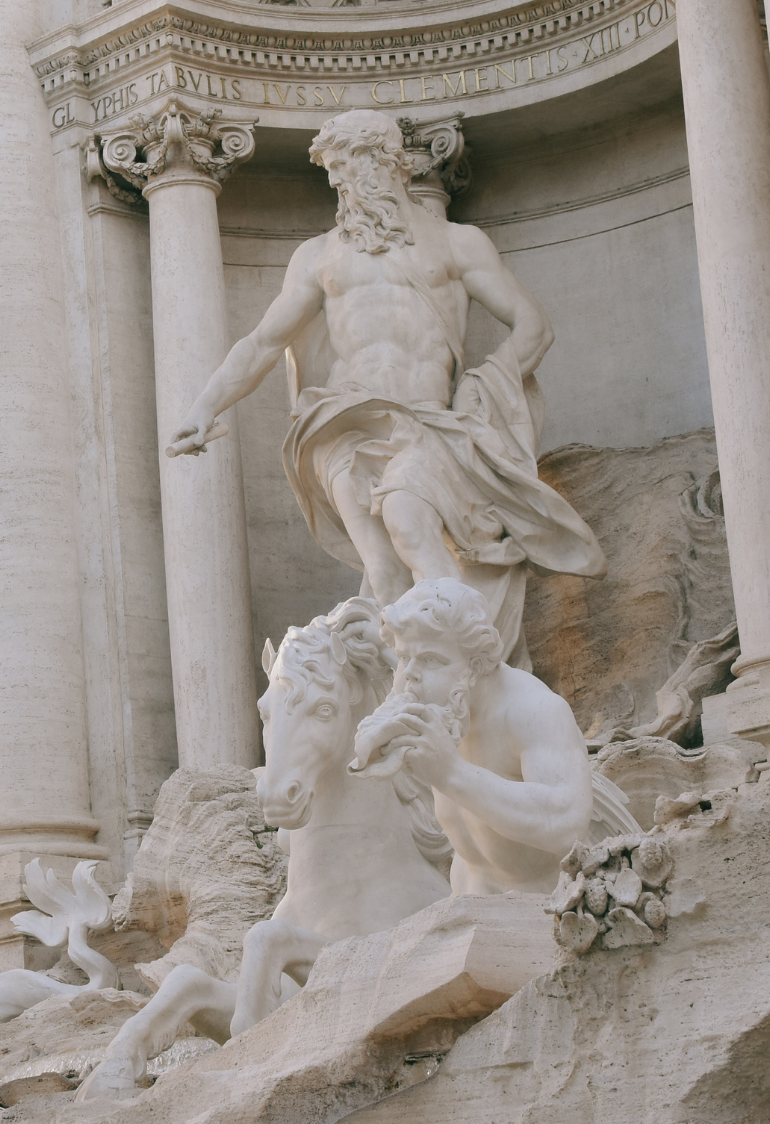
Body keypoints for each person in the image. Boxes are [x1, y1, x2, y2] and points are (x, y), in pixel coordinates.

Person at [166, 109, 603, 665]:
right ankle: (412, 698)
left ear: (388, 162)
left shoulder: (455, 244)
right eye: (333, 172)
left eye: (349, 166)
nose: (339, 183)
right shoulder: (319, 257)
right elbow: (261, 343)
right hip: (341, 423)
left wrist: (480, 386)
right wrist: (204, 407)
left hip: (426, 422)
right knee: (383, 566)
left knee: (408, 520)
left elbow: (533, 327)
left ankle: (476, 679)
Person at [352, 578, 594, 893]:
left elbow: (566, 825)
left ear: (477, 665)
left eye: (430, 659)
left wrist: (451, 771)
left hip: (548, 911)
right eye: (403, 658)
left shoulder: (534, 710)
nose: (410, 674)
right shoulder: (444, 708)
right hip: (469, 900)